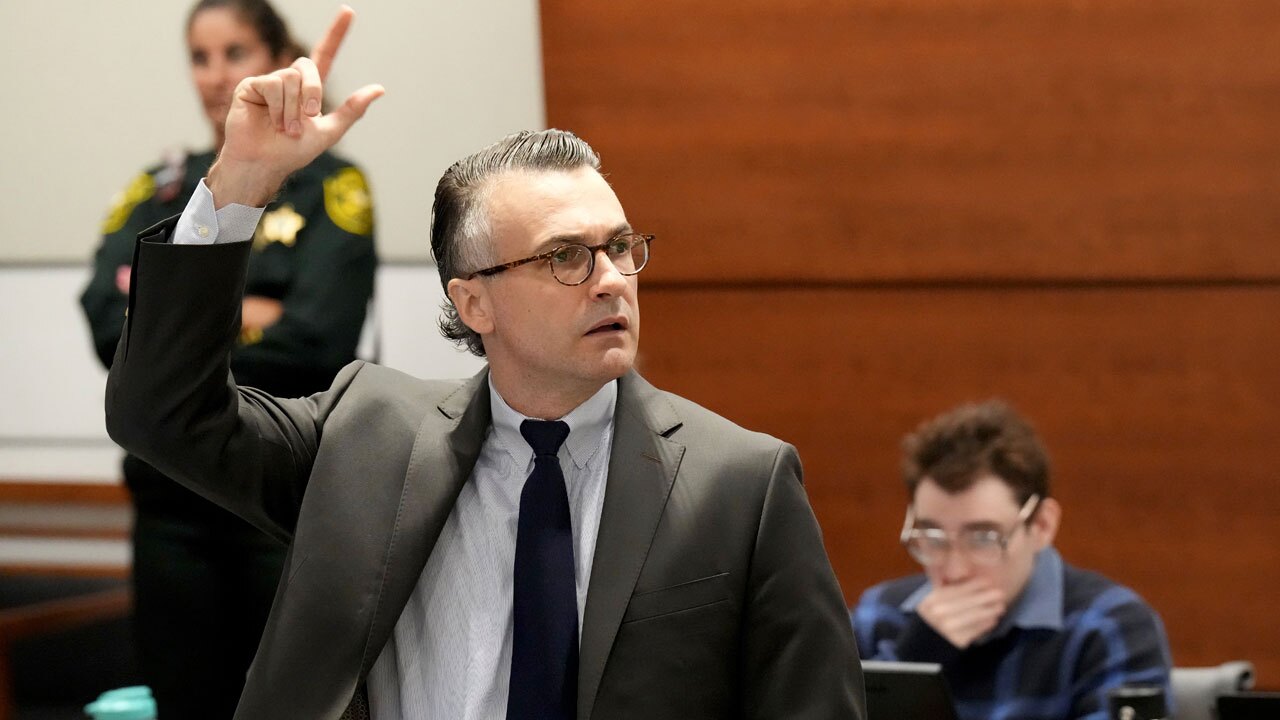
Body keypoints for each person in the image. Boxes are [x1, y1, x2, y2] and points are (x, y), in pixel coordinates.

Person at [101, 7, 863, 720]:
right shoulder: (364, 438)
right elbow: (160, 414)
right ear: (474, 304)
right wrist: (241, 183)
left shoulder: (741, 483)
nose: (610, 278)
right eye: (566, 255)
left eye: (621, 247)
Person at [79, 1, 377, 718]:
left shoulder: (331, 182)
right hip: (168, 512)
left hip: (278, 505)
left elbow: (316, 341)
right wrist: (247, 312)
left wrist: (177, 323)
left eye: (236, 52)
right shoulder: (155, 188)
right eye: (200, 57)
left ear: (277, 56)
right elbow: (105, 326)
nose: (215, 76)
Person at [851, 400, 1173, 720]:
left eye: (983, 538)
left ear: (1042, 525)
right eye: (933, 538)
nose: (954, 570)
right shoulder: (879, 618)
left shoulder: (1110, 625)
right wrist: (911, 662)